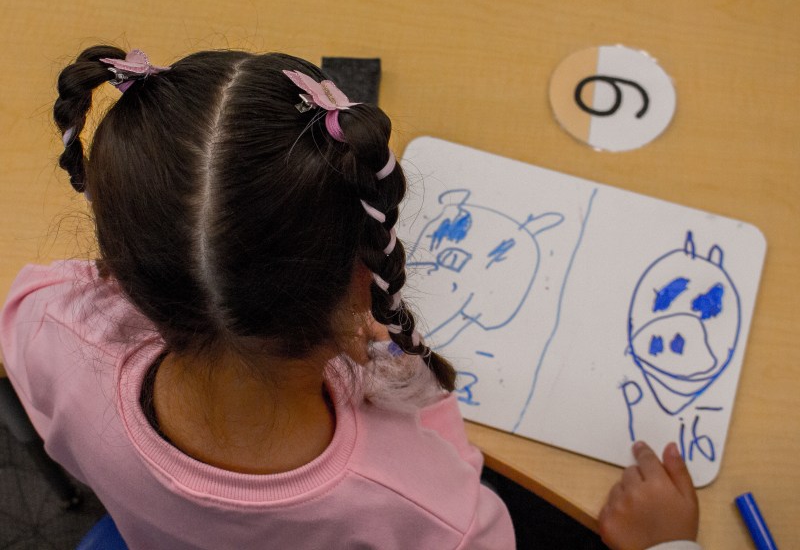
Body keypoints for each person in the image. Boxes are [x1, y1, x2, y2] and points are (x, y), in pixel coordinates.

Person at [0, 46, 699, 549]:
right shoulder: (434, 517)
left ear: (126, 265)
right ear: (362, 282)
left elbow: (54, 298)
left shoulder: (47, 326)